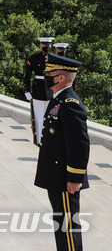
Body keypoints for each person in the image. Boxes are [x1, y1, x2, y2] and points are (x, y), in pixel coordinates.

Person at [34, 53, 89, 251]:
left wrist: (75, 177)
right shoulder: (58, 100)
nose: (47, 76)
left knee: (68, 227)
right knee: (61, 224)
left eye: (51, 73)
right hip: (56, 176)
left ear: (61, 78)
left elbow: (79, 144)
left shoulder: (69, 104)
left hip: (66, 178)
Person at [23, 37, 54, 145]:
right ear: (40, 45)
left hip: (52, 93)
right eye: (44, 44)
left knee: (51, 118)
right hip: (38, 91)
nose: (47, 46)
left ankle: (50, 140)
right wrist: (27, 90)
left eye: (48, 44)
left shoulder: (54, 58)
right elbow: (27, 75)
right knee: (39, 117)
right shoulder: (34, 58)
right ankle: (39, 141)